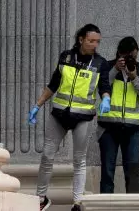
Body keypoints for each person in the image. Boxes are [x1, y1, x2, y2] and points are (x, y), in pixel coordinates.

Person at [28, 23, 112, 211]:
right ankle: (41, 198)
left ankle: (77, 202)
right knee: (47, 155)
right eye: (91, 41)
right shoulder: (66, 57)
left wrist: (106, 99)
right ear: (81, 39)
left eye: (97, 41)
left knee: (79, 160)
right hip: (59, 114)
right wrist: (37, 105)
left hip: (83, 117)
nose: (95, 45)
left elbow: (105, 87)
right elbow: (53, 84)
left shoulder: (101, 63)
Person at [96, 36, 139, 193]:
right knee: (107, 172)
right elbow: (101, 86)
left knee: (132, 173)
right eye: (128, 56)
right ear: (120, 53)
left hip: (132, 129)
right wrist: (115, 69)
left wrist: (134, 78)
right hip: (108, 128)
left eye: (134, 56)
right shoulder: (107, 66)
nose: (131, 59)